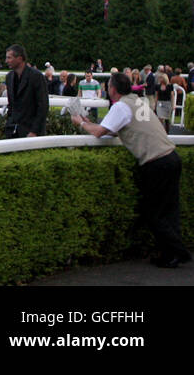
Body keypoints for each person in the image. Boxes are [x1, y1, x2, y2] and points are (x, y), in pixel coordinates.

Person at [73, 72, 192, 268]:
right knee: (169, 211)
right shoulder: (137, 101)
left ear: (112, 89)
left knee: (153, 213)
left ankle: (178, 251)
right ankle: (171, 255)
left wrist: (81, 122)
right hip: (171, 156)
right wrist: (89, 122)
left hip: (156, 162)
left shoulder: (120, 106)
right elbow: (112, 128)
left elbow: (99, 132)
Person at [4, 44, 48, 138]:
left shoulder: (36, 76)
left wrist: (34, 131)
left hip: (32, 132)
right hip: (12, 131)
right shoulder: (9, 77)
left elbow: (43, 106)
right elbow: (11, 105)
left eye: (9, 58)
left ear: (19, 58)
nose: (6, 61)